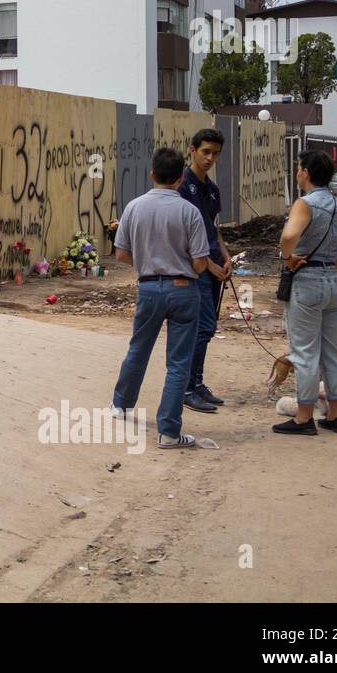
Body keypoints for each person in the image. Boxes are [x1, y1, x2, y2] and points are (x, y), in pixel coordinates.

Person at [108, 147, 212, 450]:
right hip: (183, 290)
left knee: (138, 349)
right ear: (181, 178)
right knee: (179, 363)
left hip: (149, 288)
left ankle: (121, 405)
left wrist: (148, 263)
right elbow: (200, 262)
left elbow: (121, 254)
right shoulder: (190, 212)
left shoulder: (134, 208)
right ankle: (168, 432)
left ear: (152, 174)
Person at [274, 150, 337, 436]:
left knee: (304, 352)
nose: (297, 171)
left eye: (298, 167)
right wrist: (332, 268)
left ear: (305, 172)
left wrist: (287, 257)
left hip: (307, 280)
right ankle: (335, 414)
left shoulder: (305, 203)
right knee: (332, 350)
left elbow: (288, 236)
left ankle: (303, 417)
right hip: (333, 279)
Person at [178, 128, 233, 414]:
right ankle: (187, 388)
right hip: (194, 267)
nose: (210, 158)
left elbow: (213, 228)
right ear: (193, 150)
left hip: (213, 267)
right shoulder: (182, 186)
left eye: (215, 153)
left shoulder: (211, 189)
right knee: (202, 327)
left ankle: (197, 383)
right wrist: (208, 264)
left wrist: (224, 255)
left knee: (207, 330)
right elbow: (183, 237)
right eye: (206, 152)